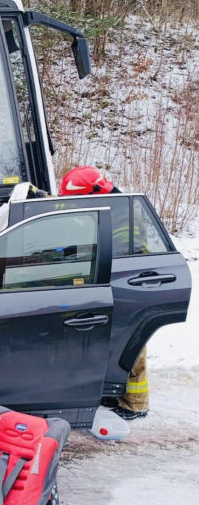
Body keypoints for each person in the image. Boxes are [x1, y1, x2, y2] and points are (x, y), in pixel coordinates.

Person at [59, 166, 148, 420]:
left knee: (131, 346)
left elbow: (118, 252)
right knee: (112, 344)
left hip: (128, 285)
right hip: (115, 282)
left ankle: (136, 404)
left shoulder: (124, 215)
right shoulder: (110, 206)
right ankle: (112, 392)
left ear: (92, 192)